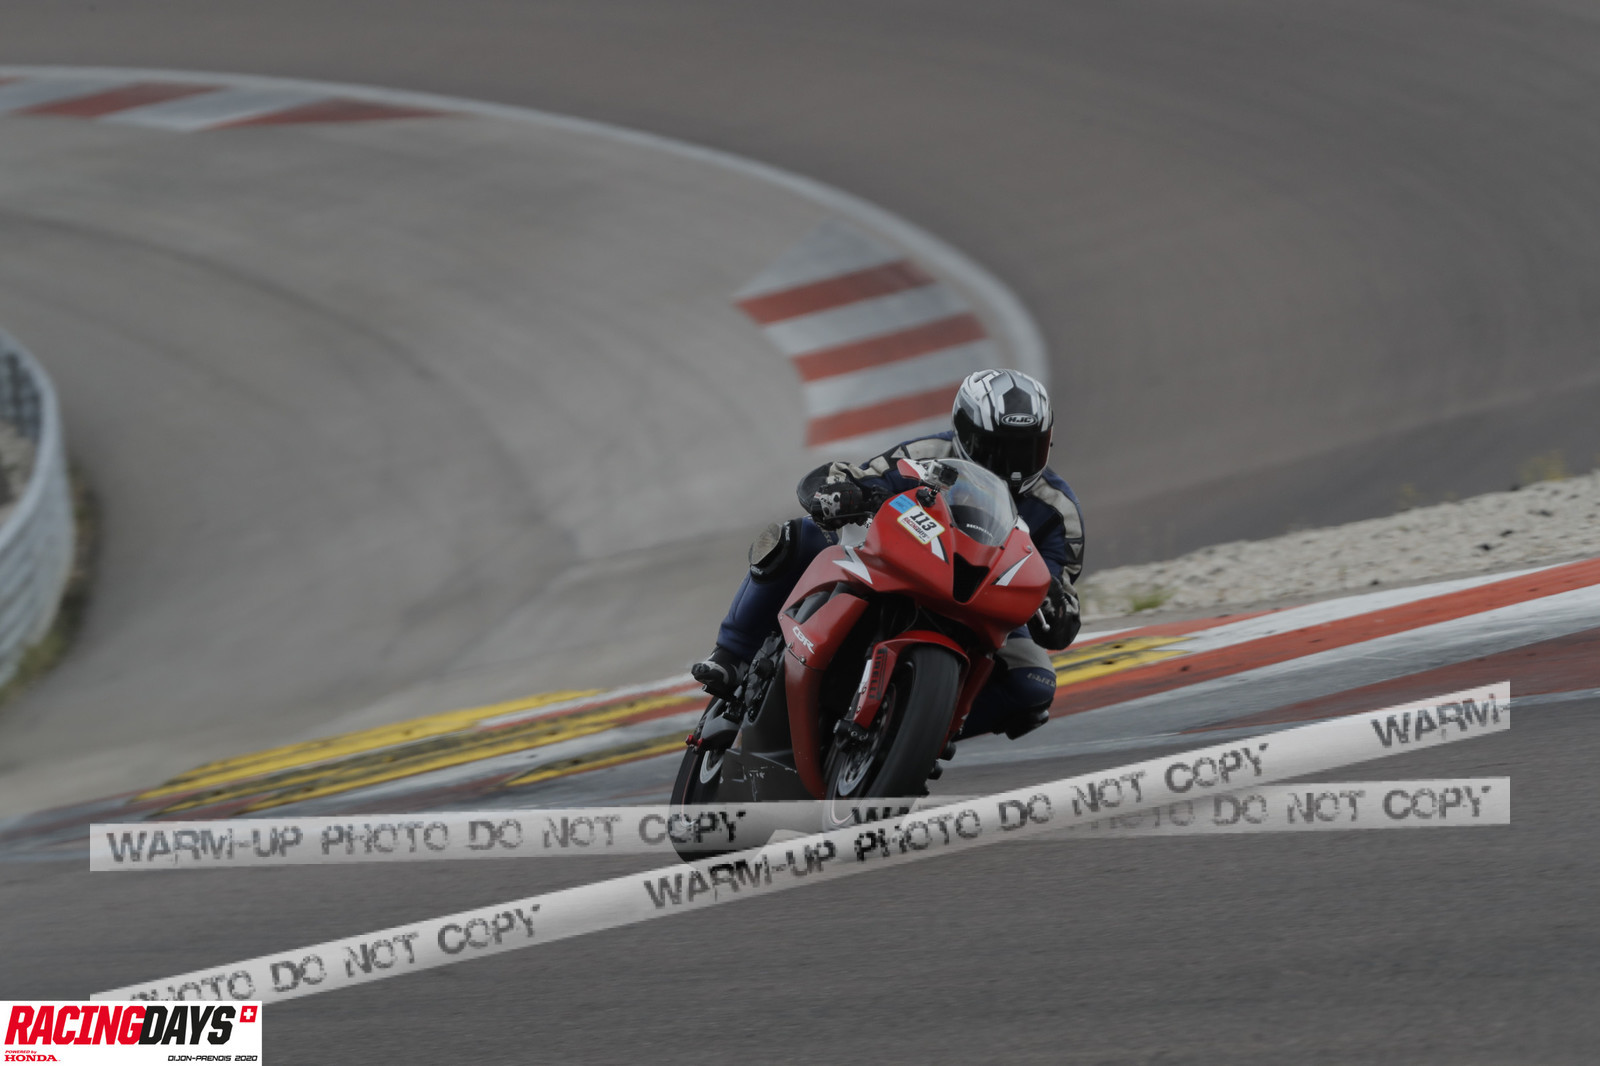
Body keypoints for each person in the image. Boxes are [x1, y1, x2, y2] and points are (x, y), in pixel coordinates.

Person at [693, 369, 1085, 741]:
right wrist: (842, 493)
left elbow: (1058, 590)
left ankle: (923, 734)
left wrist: (1054, 604)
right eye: (997, 448)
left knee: (1033, 686)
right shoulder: (928, 454)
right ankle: (732, 654)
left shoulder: (1058, 511)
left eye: (1026, 449)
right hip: (910, 566)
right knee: (800, 535)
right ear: (964, 431)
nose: (1012, 467)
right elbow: (856, 478)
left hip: (984, 603)